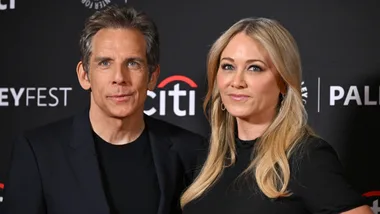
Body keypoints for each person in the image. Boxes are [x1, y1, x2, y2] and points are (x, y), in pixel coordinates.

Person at [1, 5, 206, 214]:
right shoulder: (38, 153)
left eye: (133, 63)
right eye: (105, 63)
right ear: (84, 75)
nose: (119, 77)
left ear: (152, 77)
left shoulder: (191, 151)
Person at [180, 17, 373, 214]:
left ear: (283, 81)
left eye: (254, 68)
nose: (236, 81)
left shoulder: (305, 157)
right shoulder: (206, 159)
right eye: (228, 66)